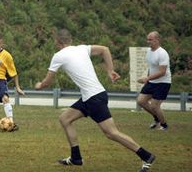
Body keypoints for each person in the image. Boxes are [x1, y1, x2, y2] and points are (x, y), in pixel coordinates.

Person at [35, 29, 155, 172]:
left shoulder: (58, 56)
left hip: (94, 98)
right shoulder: (82, 48)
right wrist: (110, 70)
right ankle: (76, 158)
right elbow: (105, 49)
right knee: (65, 118)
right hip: (91, 96)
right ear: (70, 40)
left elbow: (47, 83)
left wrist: (39, 85)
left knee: (111, 133)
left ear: (57, 42)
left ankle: (146, 156)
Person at [137, 31, 171, 130]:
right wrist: (148, 78)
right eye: (147, 39)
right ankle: (157, 119)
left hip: (163, 83)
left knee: (155, 106)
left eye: (150, 39)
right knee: (141, 101)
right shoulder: (149, 52)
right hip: (152, 82)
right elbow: (151, 67)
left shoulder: (162, 53)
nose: (148, 41)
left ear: (157, 40)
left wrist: (147, 78)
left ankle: (164, 125)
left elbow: (162, 72)